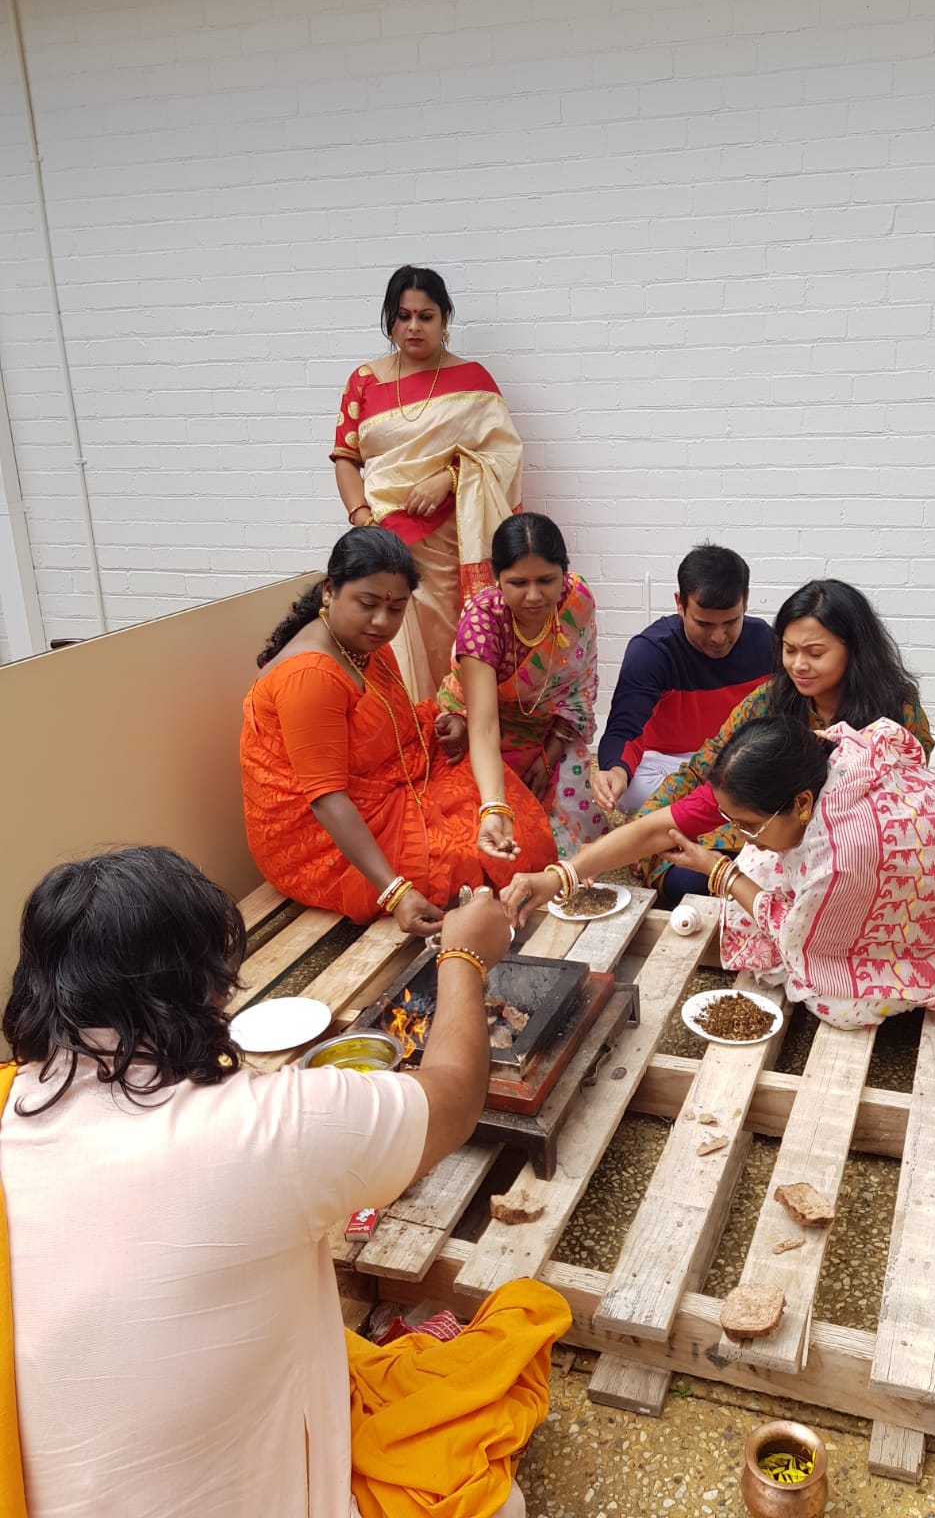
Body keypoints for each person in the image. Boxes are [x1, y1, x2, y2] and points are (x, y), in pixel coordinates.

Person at [0, 845, 569, 1516]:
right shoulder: (265, 1126)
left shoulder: (11, 1106)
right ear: (204, 985)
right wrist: (464, 957)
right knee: (497, 1498)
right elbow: (452, 1097)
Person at [502, 714, 935, 1035]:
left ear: (801, 804)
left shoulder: (842, 855)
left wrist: (720, 872)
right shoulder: (806, 761)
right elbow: (654, 830)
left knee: (831, 1000)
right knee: (763, 861)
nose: (739, 834)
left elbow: (800, 938)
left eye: (748, 824)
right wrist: (557, 878)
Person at [241, 527, 556, 929]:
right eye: (367, 604)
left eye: (396, 608)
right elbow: (327, 800)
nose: (381, 621)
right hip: (323, 839)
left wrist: (450, 721)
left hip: (392, 780)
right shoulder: (310, 677)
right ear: (329, 592)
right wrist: (396, 893)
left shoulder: (361, 641)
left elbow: (390, 719)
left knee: (505, 818)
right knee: (476, 856)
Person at [638, 578, 934, 906]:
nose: (798, 665)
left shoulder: (896, 714)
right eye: (789, 650)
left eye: (815, 653)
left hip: (849, 853)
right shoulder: (769, 699)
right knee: (686, 879)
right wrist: (644, 824)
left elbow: (905, 808)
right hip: (760, 836)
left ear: (854, 650)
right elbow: (703, 769)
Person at [330, 265, 524, 700]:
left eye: (426, 316)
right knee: (384, 645)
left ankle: (453, 725)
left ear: (444, 320)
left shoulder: (473, 380)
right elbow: (346, 458)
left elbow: (505, 455)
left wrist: (450, 478)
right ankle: (400, 732)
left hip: (450, 543)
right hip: (381, 539)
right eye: (403, 316)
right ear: (390, 320)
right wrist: (363, 522)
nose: (413, 326)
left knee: (448, 642)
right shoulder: (364, 381)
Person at [436, 514, 602, 859]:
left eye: (546, 580)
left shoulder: (576, 601)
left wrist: (550, 755)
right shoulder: (483, 623)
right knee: (488, 838)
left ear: (564, 573)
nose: (534, 596)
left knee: (573, 830)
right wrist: (495, 806)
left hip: (552, 733)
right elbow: (484, 727)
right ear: (497, 578)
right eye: (518, 583)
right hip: (485, 737)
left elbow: (580, 686)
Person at [591, 544, 773, 816]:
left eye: (731, 622)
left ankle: (702, 806)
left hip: (736, 759)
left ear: (745, 603)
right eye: (704, 624)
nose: (718, 637)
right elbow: (624, 728)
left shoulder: (764, 641)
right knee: (628, 790)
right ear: (680, 604)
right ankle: (722, 806)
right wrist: (615, 770)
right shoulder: (652, 651)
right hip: (667, 763)